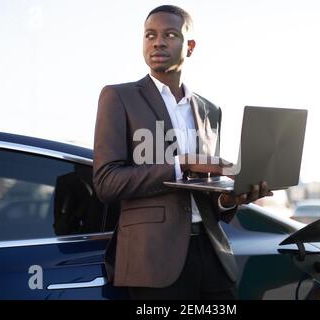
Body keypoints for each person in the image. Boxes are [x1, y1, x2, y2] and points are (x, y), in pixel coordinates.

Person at [93, 4, 272, 300]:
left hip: (212, 255)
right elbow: (106, 182)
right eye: (150, 35)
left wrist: (231, 199)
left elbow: (208, 194)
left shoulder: (209, 110)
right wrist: (181, 165)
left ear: (189, 47)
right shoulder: (118, 97)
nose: (158, 42)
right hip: (153, 262)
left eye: (170, 35)